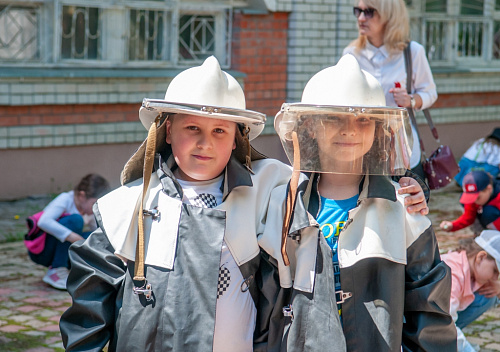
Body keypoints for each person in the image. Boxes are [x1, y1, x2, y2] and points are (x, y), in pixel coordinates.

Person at [59, 56, 428, 352]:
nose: (205, 143)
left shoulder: (269, 190)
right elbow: (88, 312)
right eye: (192, 128)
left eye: (219, 130)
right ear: (167, 130)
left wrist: (407, 193)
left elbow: (335, 177)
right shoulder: (126, 208)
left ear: (238, 138)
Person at [272, 54, 456, 351]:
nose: (350, 130)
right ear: (308, 127)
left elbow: (430, 308)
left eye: (363, 120)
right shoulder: (285, 204)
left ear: (378, 130)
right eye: (334, 118)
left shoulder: (404, 209)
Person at [343, 0, 437, 179]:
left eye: (369, 12)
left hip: (402, 150)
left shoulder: (412, 52)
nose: (361, 18)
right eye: (358, 11)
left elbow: (430, 93)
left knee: (406, 205)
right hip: (362, 149)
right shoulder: (351, 55)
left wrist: (410, 100)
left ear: (389, 15)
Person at [28, 173, 110, 290]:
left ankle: (90, 270)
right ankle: (56, 270)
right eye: (94, 203)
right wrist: (71, 236)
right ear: (82, 196)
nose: (95, 207)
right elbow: (43, 221)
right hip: (43, 251)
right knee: (75, 220)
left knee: (96, 236)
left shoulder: (88, 211)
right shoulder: (65, 199)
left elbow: (96, 232)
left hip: (60, 251)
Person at [441, 230, 500, 352]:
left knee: (489, 295)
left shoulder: (470, 266)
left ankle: (454, 342)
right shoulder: (453, 274)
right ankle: (451, 343)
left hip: (436, 320)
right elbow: (444, 322)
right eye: (495, 271)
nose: (495, 278)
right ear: (481, 257)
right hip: (420, 324)